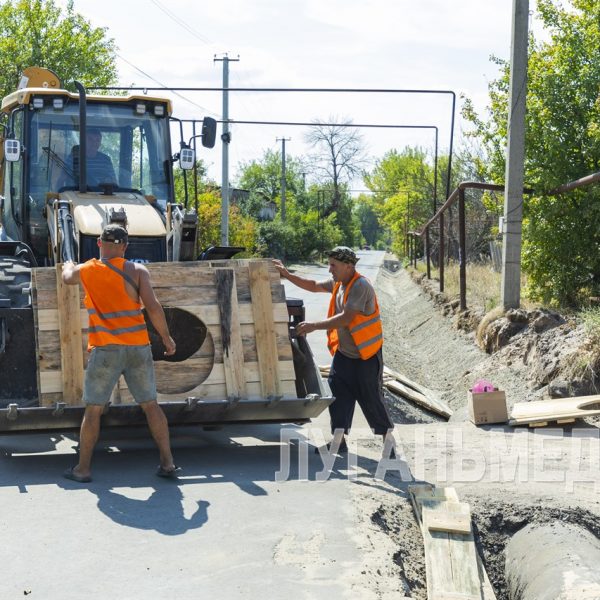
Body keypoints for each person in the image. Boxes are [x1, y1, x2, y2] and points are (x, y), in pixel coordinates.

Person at [61, 224, 179, 483]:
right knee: (151, 405)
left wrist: (67, 264)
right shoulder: (137, 271)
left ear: (99, 244)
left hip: (106, 350)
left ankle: (82, 469)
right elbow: (153, 307)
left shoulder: (88, 270)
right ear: (125, 247)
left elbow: (67, 278)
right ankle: (168, 462)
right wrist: (167, 338)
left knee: (93, 410)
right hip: (138, 347)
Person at [273, 246, 395, 455]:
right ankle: (339, 443)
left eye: (333, 265)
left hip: (366, 355)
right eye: (329, 265)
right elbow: (312, 285)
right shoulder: (339, 283)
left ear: (348, 266)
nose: (330, 269)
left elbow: (346, 318)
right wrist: (287, 274)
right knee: (338, 396)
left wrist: (313, 325)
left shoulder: (360, 286)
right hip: (345, 354)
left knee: (371, 398)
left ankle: (389, 443)